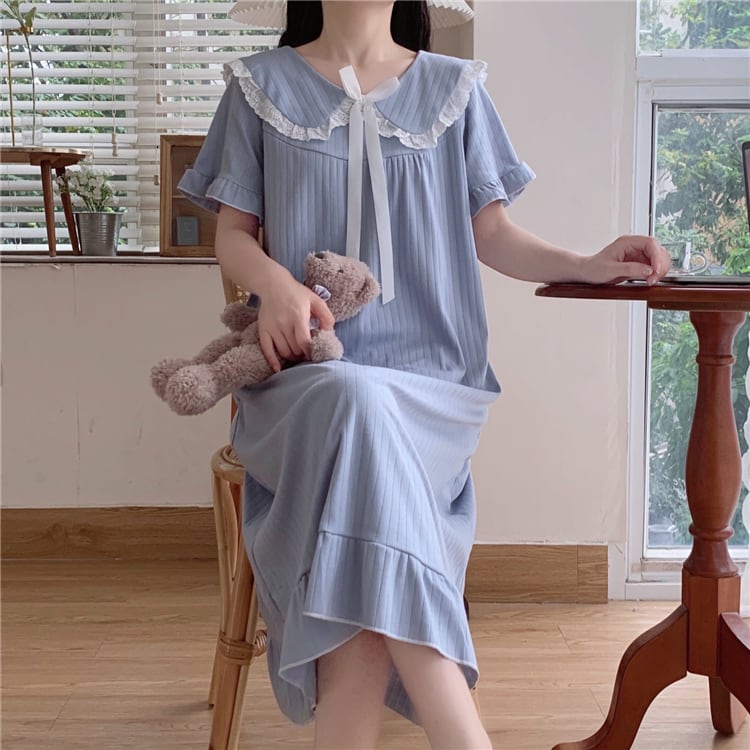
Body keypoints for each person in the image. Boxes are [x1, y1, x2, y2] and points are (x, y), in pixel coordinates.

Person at [179, 2, 671, 748]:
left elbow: (492, 233)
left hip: (432, 386)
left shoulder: (454, 89)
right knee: (353, 403)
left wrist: (586, 263)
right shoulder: (258, 86)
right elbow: (233, 236)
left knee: (363, 457)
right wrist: (275, 286)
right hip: (306, 378)